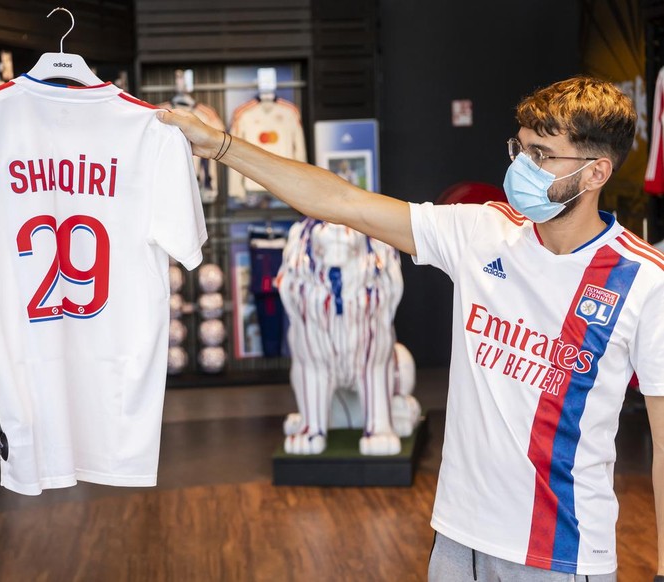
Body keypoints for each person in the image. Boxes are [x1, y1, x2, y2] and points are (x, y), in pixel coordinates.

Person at [158, 76, 664, 581]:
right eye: (520, 148)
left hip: (562, 553)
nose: (521, 167)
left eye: (542, 154)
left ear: (596, 171)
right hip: (457, 538)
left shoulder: (644, 280)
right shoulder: (482, 231)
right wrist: (220, 146)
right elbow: (341, 202)